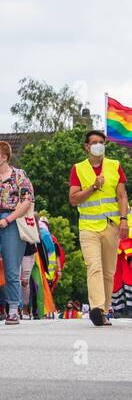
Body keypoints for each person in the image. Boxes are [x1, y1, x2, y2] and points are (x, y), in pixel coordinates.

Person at [69, 128, 128, 327]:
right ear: (87, 147)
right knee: (93, 266)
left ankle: (103, 311)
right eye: (94, 142)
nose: (98, 145)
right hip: (88, 226)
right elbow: (73, 199)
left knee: (109, 271)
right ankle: (96, 307)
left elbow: (121, 196)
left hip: (111, 226)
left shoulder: (115, 165)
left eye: (101, 142)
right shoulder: (78, 168)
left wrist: (124, 220)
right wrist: (93, 187)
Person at [0, 141, 35, 325]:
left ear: (4, 157)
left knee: (11, 269)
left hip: (11, 222)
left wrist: (8, 219)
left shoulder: (19, 176)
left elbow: (27, 201)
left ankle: (12, 309)